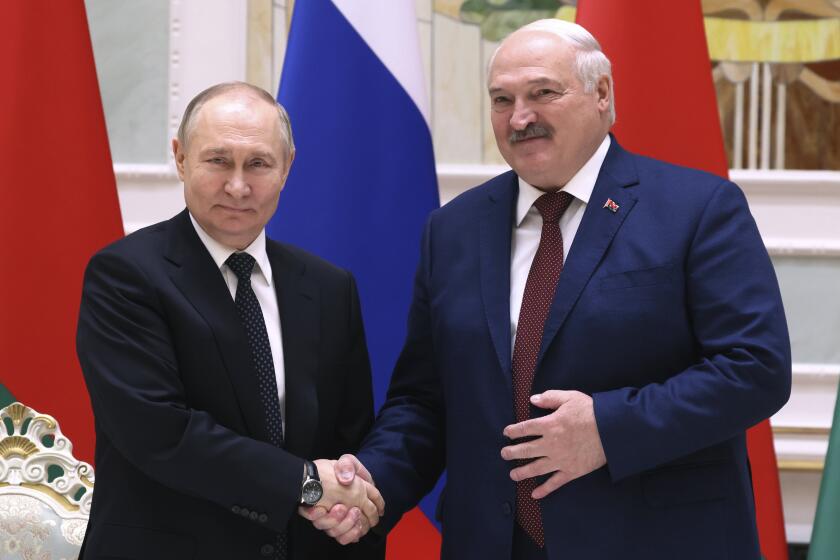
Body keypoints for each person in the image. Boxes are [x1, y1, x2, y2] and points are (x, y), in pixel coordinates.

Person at [304, 19, 792, 560]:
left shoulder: (697, 209)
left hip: (653, 539)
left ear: (601, 94)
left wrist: (608, 428)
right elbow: (426, 400)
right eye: (501, 100)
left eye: (543, 93)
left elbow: (754, 369)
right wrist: (370, 487)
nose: (520, 117)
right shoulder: (453, 230)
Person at [76, 82, 384, 560]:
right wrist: (304, 485)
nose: (238, 186)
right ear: (180, 158)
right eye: (218, 161)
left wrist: (347, 501)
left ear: (287, 168)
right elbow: (160, 432)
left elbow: (351, 436)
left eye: (258, 163)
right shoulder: (124, 275)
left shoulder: (328, 287)